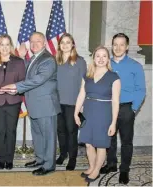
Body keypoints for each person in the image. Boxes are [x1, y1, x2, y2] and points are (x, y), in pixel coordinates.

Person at [1, 32, 61, 176]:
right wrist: (21, 56)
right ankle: (40, 159)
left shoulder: (48, 59)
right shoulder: (33, 58)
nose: (34, 44)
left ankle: (48, 165)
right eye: (31, 41)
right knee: (38, 135)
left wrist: (16, 87)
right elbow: (23, 69)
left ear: (45, 43)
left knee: (48, 136)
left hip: (46, 105)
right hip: (34, 104)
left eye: (38, 41)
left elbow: (38, 79)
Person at [100, 33, 146, 184]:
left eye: (121, 44)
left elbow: (141, 90)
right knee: (109, 138)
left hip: (126, 108)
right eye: (115, 44)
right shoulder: (106, 64)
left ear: (126, 47)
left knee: (126, 141)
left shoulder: (135, 66)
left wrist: (133, 109)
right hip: (108, 107)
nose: (118, 47)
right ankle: (111, 164)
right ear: (111, 46)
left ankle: (124, 170)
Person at [74, 46, 121, 182]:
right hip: (88, 111)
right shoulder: (87, 75)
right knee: (88, 143)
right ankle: (92, 166)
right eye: (98, 56)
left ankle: (96, 171)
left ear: (108, 59)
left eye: (104, 56)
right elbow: (81, 95)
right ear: (93, 58)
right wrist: (76, 113)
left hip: (104, 113)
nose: (101, 59)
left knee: (101, 144)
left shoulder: (114, 77)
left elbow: (116, 102)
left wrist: (113, 122)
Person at [0, 34, 26, 170]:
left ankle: (9, 159)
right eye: (1, 44)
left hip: (13, 101)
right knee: (0, 131)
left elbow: (23, 81)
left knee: (11, 131)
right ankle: (1, 159)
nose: (4, 47)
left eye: (7, 44)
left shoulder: (19, 62)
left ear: (11, 46)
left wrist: (17, 90)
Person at [55, 33, 87, 170]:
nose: (65, 45)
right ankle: (63, 154)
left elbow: (84, 84)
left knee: (71, 131)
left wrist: (82, 105)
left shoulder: (80, 61)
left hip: (73, 103)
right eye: (63, 42)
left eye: (68, 42)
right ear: (59, 45)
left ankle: (72, 158)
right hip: (57, 102)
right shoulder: (55, 61)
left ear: (73, 44)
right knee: (60, 131)